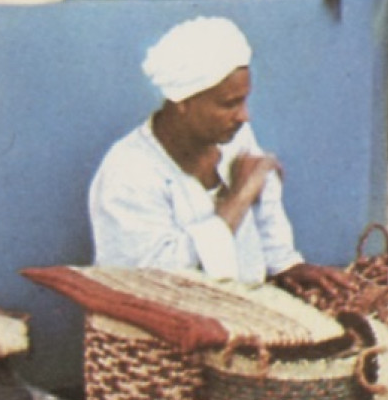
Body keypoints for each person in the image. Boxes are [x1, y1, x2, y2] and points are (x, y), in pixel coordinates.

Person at [88, 15, 352, 299]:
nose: (244, 116)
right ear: (183, 102)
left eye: (244, 100)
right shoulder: (128, 173)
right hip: (167, 322)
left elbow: (266, 203)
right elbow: (156, 281)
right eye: (229, 104)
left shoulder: (233, 135)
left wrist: (287, 264)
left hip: (250, 306)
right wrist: (237, 198)